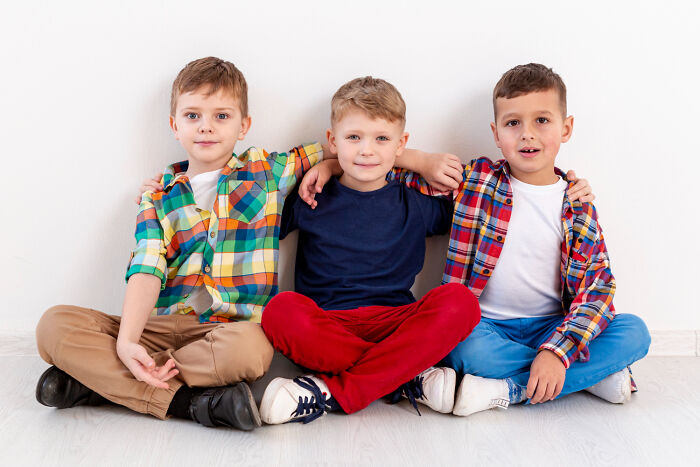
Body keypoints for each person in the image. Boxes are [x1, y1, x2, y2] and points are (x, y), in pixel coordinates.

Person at [34, 57, 327, 430]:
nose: (206, 126)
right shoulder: (157, 197)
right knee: (53, 325)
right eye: (192, 116)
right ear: (175, 125)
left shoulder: (268, 171)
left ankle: (100, 384)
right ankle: (191, 403)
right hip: (161, 326)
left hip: (225, 334)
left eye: (222, 116)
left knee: (252, 353)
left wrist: (327, 167)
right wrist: (126, 342)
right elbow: (147, 267)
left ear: (244, 126)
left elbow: (342, 150)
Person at [386, 63, 651, 415]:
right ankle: (587, 377)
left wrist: (556, 350)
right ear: (497, 134)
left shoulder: (577, 204)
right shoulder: (476, 181)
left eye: (542, 120)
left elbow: (597, 288)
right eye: (513, 123)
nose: (527, 134)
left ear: (566, 127)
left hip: (553, 326)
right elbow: (380, 166)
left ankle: (511, 389)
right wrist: (419, 159)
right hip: (485, 327)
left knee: (635, 332)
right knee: (463, 349)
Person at [258, 76, 481, 425]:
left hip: (396, 325)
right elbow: (251, 214)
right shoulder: (310, 196)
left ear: (400, 144)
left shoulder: (415, 203)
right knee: (279, 311)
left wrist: (420, 161)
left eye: (381, 139)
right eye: (353, 138)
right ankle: (403, 378)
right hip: (328, 327)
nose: (367, 150)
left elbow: (483, 200)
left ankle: (330, 392)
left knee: (461, 302)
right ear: (332, 141)